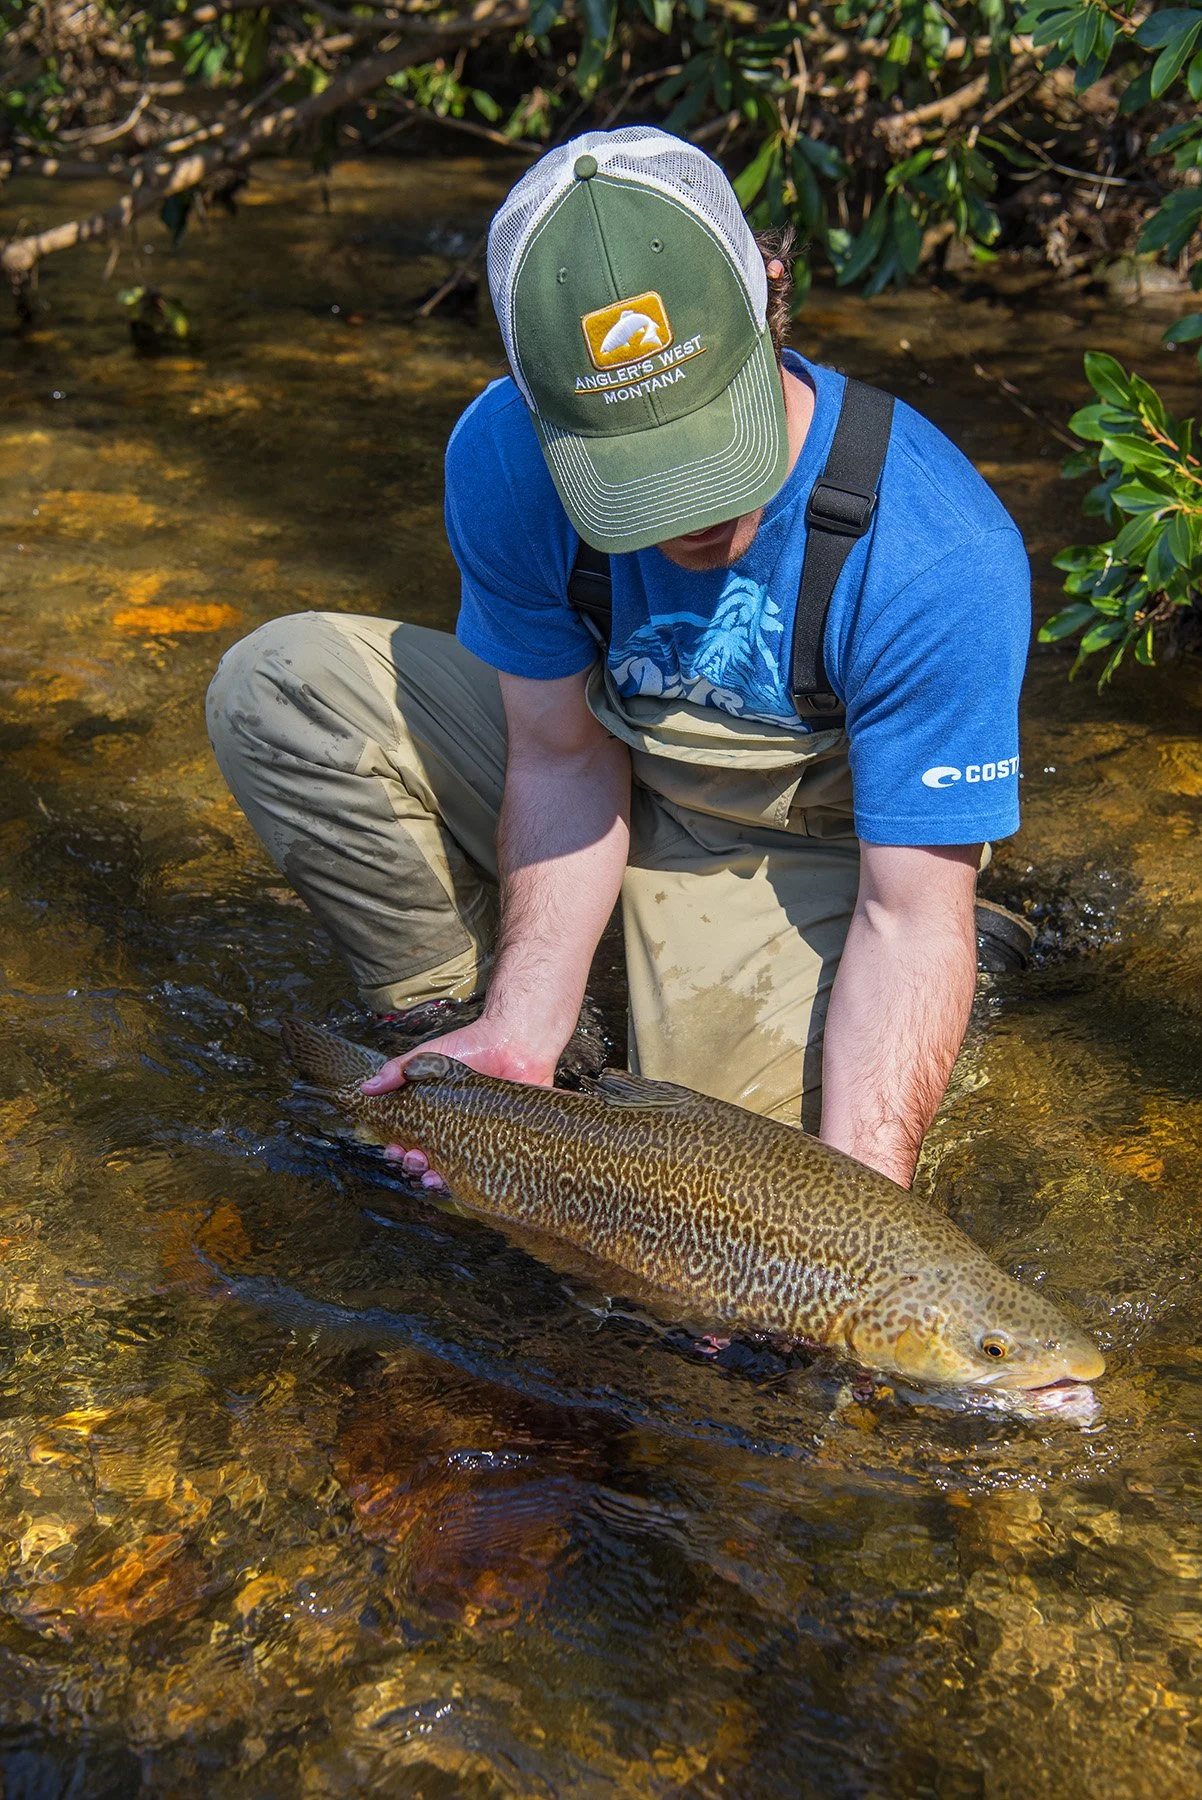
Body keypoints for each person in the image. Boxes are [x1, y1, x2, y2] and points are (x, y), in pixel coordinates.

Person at [206, 126, 1030, 1191]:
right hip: (614, 766)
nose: (689, 510)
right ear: (535, 397)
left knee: (738, 1184)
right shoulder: (502, 455)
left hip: (814, 856)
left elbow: (902, 915)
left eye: (706, 438)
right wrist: (517, 1029)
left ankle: (983, 946)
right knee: (283, 687)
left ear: (770, 293)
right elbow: (555, 754)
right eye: (630, 469)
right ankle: (465, 1043)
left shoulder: (938, 552)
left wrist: (858, 1217)